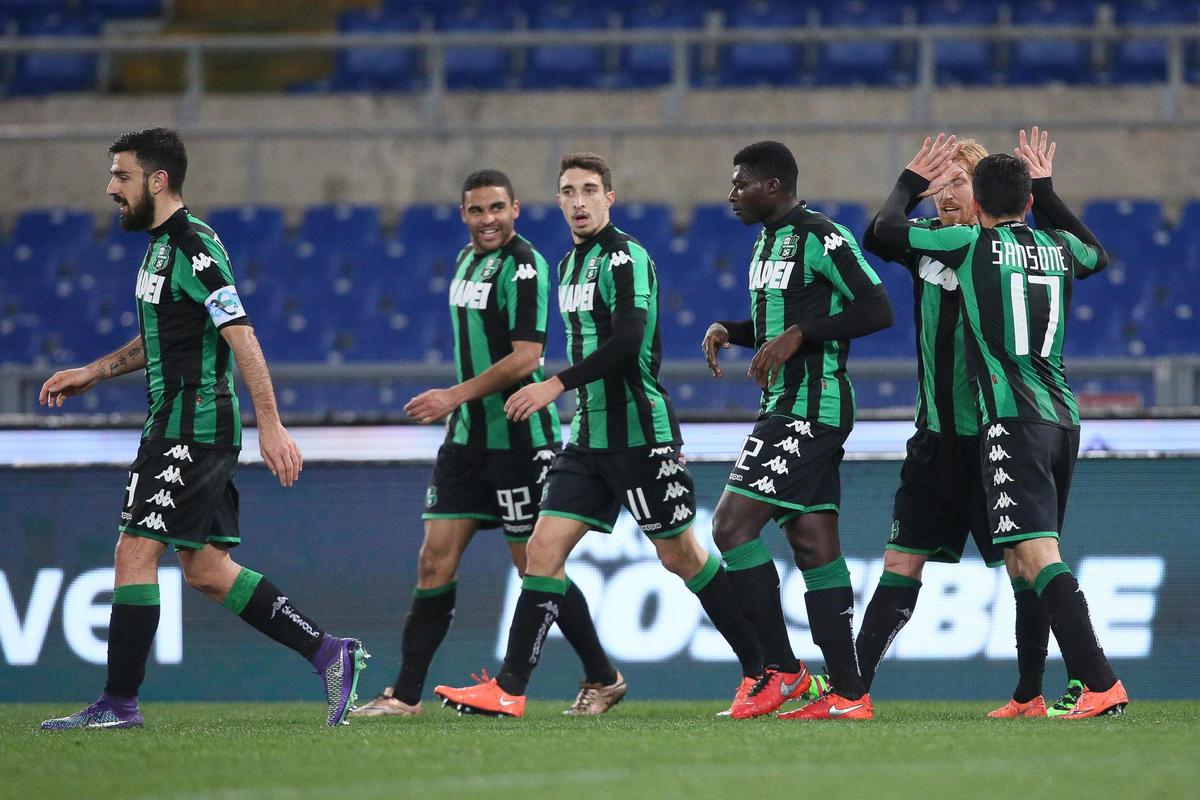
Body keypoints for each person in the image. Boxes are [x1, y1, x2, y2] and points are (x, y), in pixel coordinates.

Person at [38, 128, 367, 730]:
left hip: (191, 425)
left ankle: (118, 703)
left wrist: (271, 423)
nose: (111, 188)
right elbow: (163, 336)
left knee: (133, 551)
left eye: (121, 176)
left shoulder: (193, 247)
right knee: (208, 570)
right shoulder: (160, 249)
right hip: (180, 421)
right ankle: (328, 653)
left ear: (157, 180)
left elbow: (241, 334)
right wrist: (94, 371)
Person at [434, 152, 763, 718]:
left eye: (589, 190)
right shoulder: (568, 265)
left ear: (609, 198)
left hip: (639, 435)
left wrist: (554, 384)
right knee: (541, 551)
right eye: (569, 191)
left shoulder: (626, 258)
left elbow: (628, 343)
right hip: (588, 438)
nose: (579, 201)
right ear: (558, 201)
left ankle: (764, 670)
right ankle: (510, 689)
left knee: (681, 556)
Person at [871, 132, 1128, 719]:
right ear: (1028, 201)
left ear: (979, 205)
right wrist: (1048, 191)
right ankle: (1035, 693)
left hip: (1012, 419)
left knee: (1036, 556)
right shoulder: (1059, 247)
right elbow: (1098, 254)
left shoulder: (970, 245)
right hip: (1064, 418)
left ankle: (1098, 681)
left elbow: (885, 230)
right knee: (1031, 557)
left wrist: (910, 182)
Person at [350, 170, 624, 718]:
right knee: (434, 562)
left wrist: (453, 396)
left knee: (536, 566)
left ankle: (603, 675)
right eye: (477, 210)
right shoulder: (463, 261)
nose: (488, 219)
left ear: (515, 209)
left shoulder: (526, 266)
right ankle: (405, 695)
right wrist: (459, 408)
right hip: (466, 442)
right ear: (463, 215)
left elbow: (527, 357)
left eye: (497, 208)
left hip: (519, 443)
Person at [702, 140, 893, 721]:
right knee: (813, 546)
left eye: (741, 184)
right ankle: (850, 694)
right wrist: (733, 330)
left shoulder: (822, 236)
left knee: (731, 527)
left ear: (773, 185)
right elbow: (775, 325)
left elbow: (877, 309)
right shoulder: (765, 243)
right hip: (784, 404)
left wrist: (803, 334)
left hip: (811, 408)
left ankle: (782, 672)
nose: (732, 194)